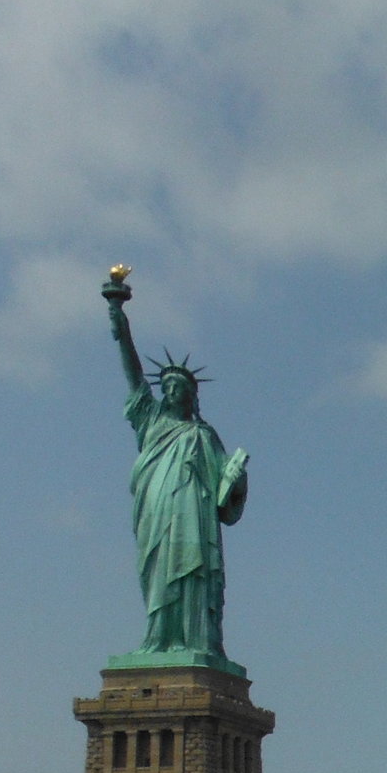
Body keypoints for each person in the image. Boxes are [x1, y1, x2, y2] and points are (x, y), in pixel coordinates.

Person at [104, 277, 248, 658]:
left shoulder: (204, 435)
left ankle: (198, 641)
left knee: (195, 574)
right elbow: (134, 375)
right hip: (157, 510)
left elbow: (225, 498)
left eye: (178, 387)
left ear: (191, 396)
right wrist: (121, 322)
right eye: (166, 385)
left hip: (195, 517)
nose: (170, 391)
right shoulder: (150, 422)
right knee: (158, 572)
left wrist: (236, 478)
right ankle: (159, 639)